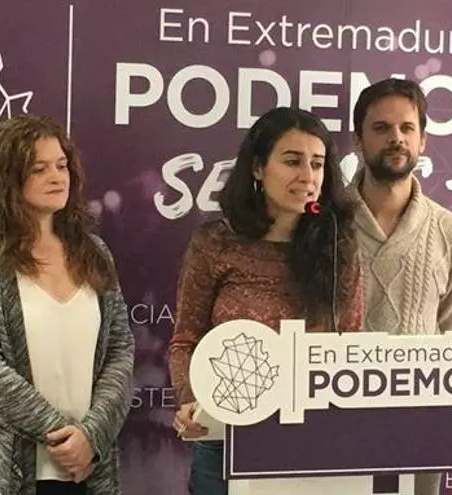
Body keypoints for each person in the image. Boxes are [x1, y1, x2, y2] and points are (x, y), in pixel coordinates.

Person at [167, 107, 365, 495]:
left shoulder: (339, 246)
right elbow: (185, 341)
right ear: (258, 168)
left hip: (311, 442)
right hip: (224, 440)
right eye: (292, 161)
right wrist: (190, 402)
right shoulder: (215, 243)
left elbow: (351, 346)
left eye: (317, 164)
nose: (307, 176)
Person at [0, 115, 135, 495]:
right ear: (7, 178)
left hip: (85, 470)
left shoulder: (94, 252)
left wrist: (91, 436)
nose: (57, 177)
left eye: (62, 166)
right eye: (39, 168)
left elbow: (119, 349)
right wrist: (63, 435)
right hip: (1, 476)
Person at [349, 78, 452, 495]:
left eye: (407, 128)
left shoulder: (450, 232)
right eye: (381, 128)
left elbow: (445, 329)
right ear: (358, 140)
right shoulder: (322, 224)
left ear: (423, 141)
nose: (396, 138)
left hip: (419, 425)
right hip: (333, 422)